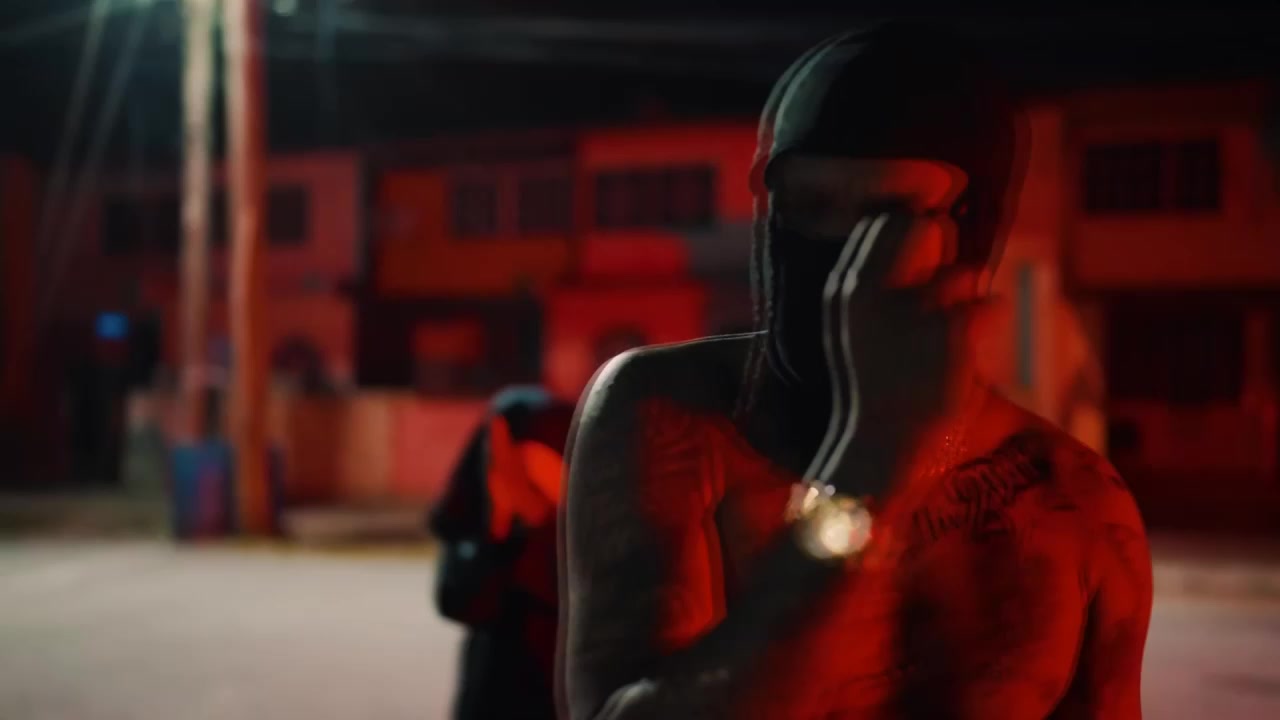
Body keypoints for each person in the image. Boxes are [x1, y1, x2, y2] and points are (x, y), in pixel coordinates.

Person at [559, 22, 1152, 720]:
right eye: (808, 208)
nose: (835, 254)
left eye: (883, 218)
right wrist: (870, 465)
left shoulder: (1075, 502)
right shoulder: (670, 415)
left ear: (974, 234)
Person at [431, 385, 575, 720]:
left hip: (563, 685)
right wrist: (501, 531)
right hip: (494, 683)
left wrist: (548, 518)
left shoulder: (593, 523)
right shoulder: (477, 521)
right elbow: (458, 601)